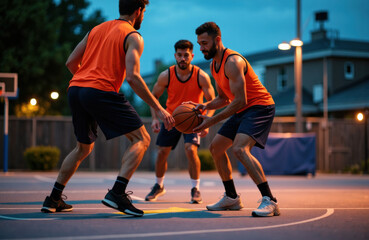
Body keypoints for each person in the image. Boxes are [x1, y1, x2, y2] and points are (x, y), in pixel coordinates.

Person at [41, 0, 175, 217]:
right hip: (99, 90)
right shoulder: (133, 36)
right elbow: (132, 77)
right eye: (144, 11)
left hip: (75, 89)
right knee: (142, 139)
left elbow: (71, 62)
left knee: (83, 148)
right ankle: (117, 193)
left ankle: (53, 198)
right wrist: (159, 107)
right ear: (139, 10)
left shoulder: (96, 29)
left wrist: (86, 79)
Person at [194, 22, 280, 217]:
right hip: (243, 108)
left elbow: (241, 100)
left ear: (217, 40)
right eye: (199, 43)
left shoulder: (232, 62)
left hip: (260, 106)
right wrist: (206, 106)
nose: (201, 48)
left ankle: (270, 200)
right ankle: (231, 197)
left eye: (204, 43)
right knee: (216, 148)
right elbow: (224, 99)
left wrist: (210, 121)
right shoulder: (213, 65)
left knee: (240, 149)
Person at [145, 40, 215, 203]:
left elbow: (212, 100)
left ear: (192, 56)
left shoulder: (201, 76)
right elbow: (152, 97)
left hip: (193, 121)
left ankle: (195, 189)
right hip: (171, 119)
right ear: (175, 56)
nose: (183, 58)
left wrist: (208, 121)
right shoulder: (166, 75)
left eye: (186, 55)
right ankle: (159, 186)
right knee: (162, 152)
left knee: (191, 150)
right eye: (179, 55)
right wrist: (155, 118)